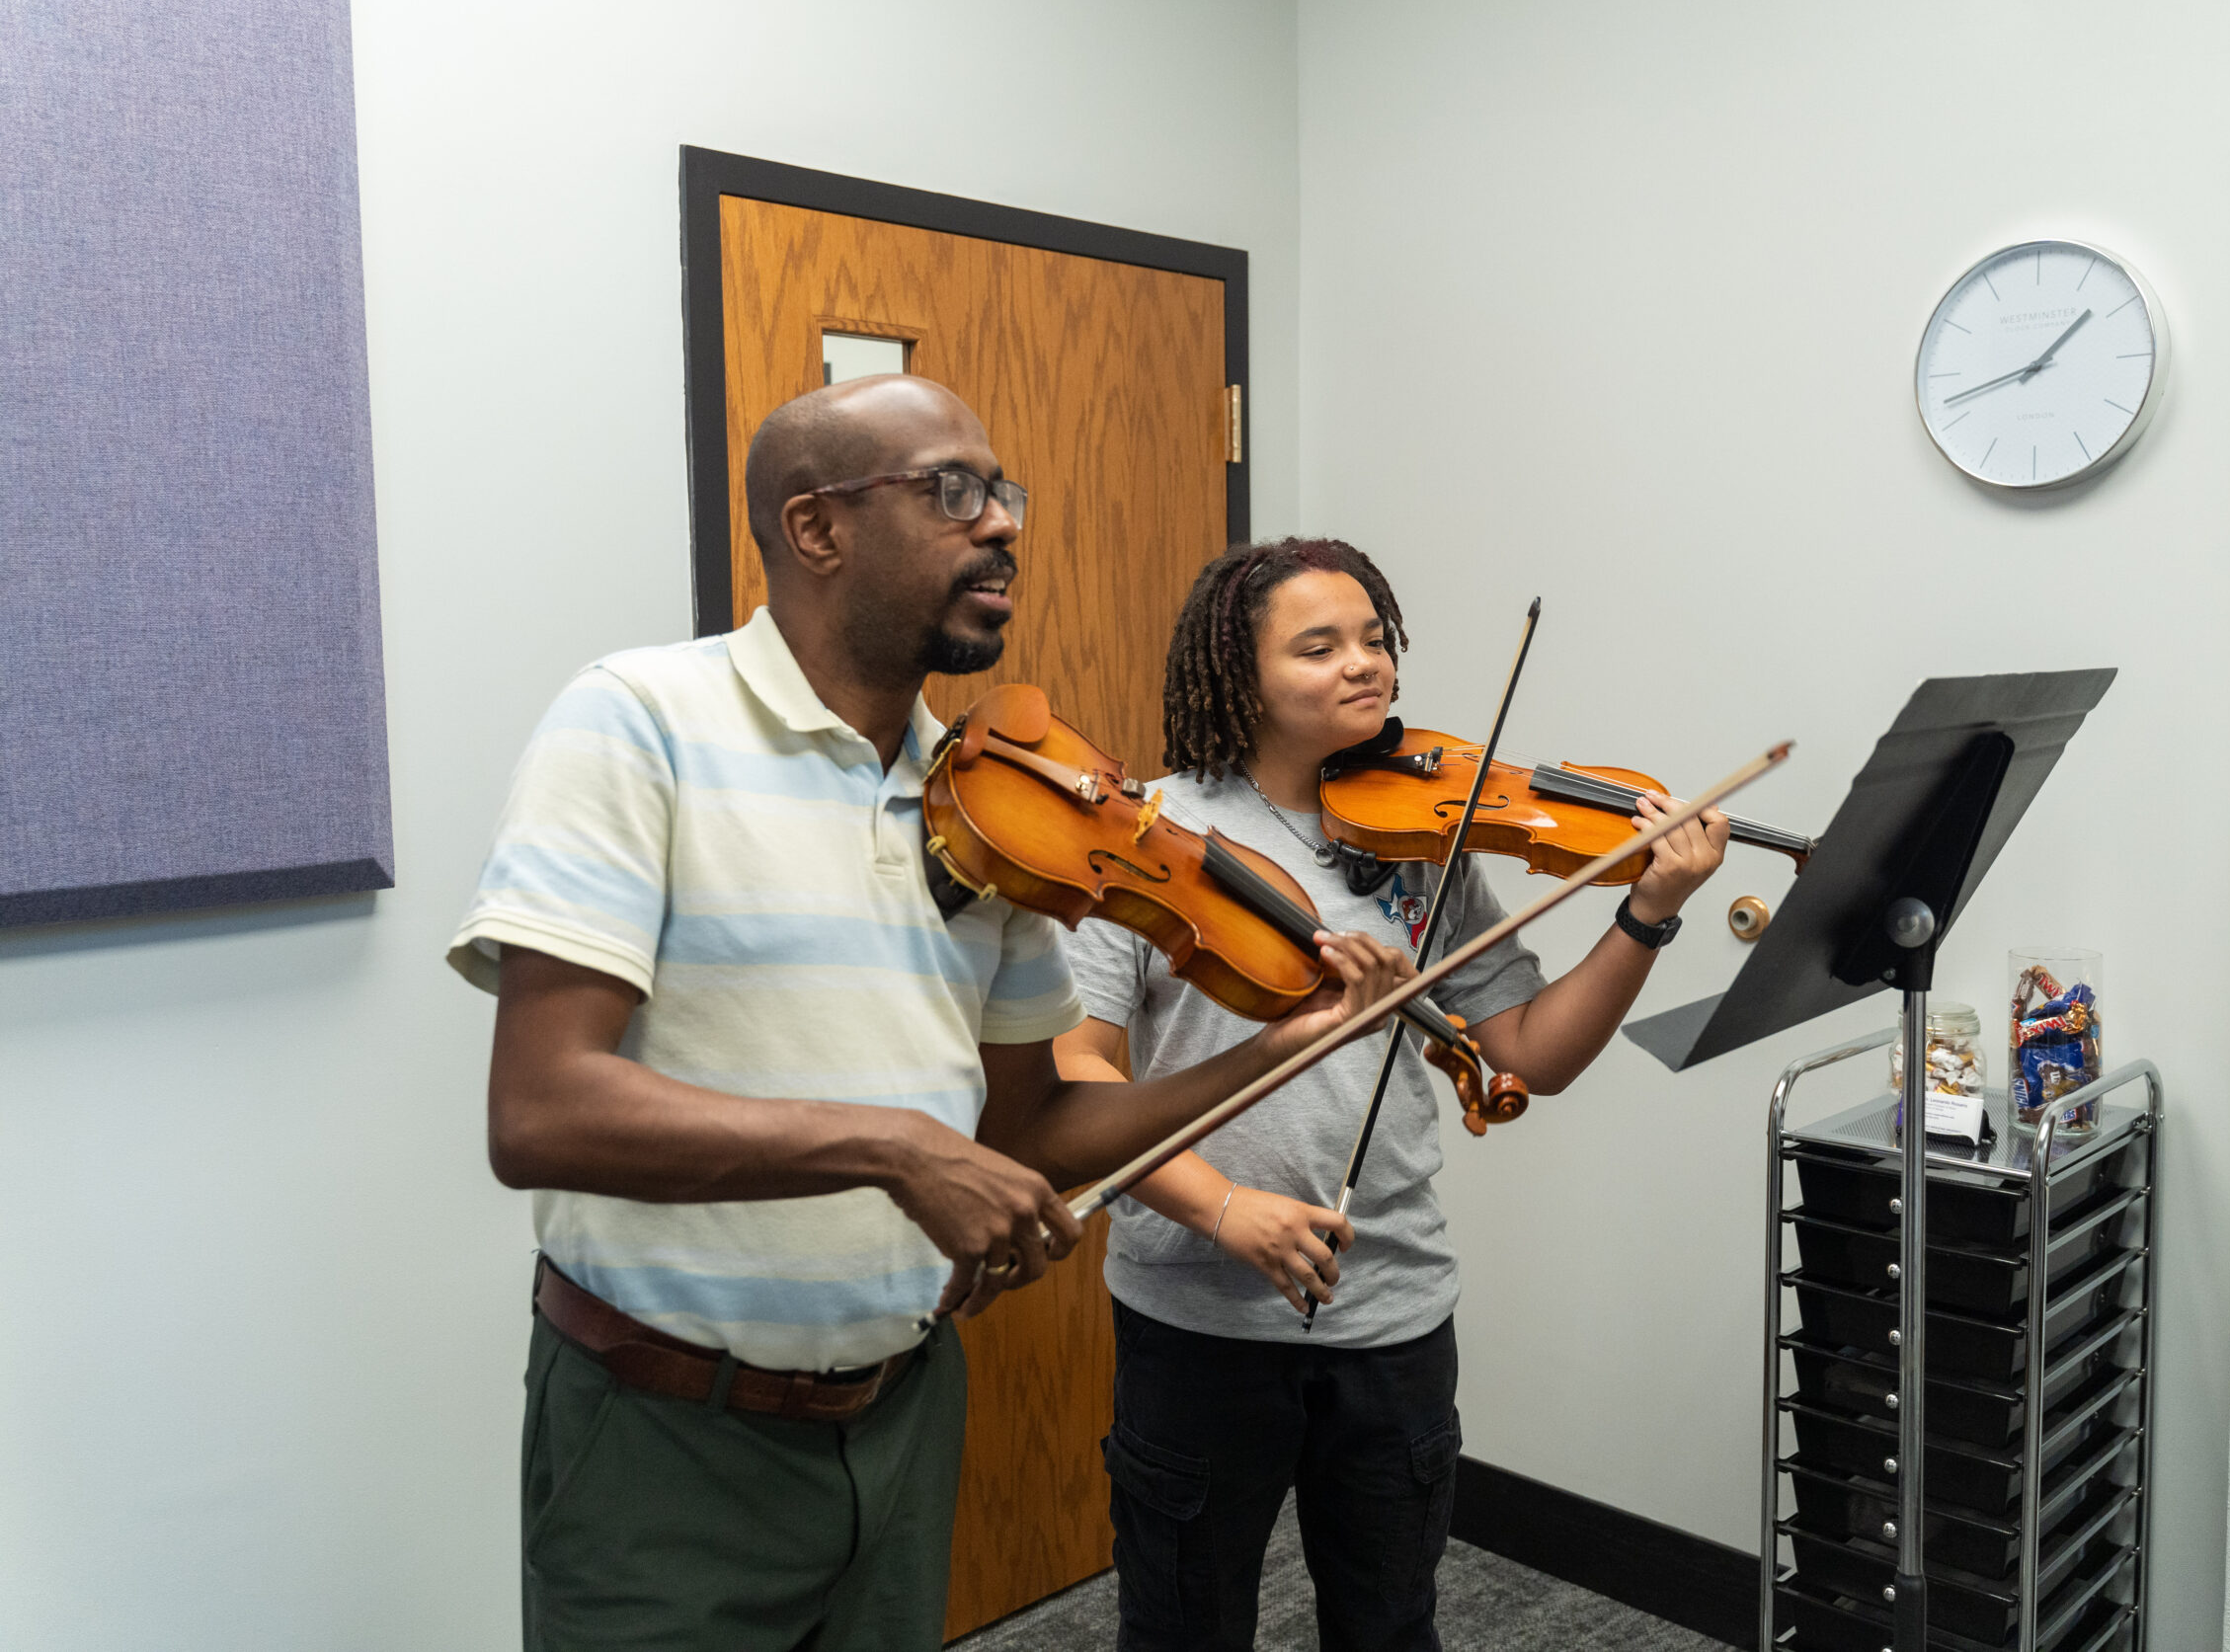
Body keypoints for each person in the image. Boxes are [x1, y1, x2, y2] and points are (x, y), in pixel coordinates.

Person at [445, 380, 1411, 1652]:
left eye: (1004, 494)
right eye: (952, 490)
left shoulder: (992, 805)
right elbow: (541, 1111)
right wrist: (902, 1149)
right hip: (664, 1423)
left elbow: (1040, 1125)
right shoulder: (635, 722)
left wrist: (1283, 1050)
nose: (1001, 524)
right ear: (815, 528)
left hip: (900, 1414)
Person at [1052, 537, 1731, 1652]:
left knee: (1389, 1626)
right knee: (1183, 1626)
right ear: (1238, 672)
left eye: (1374, 638)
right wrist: (1226, 1209)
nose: (1363, 664)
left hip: (1392, 1308)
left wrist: (1645, 916)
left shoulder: (1425, 840)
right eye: (1318, 647)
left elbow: (1524, 1055)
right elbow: (1076, 1076)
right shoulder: (1144, 834)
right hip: (1195, 1317)